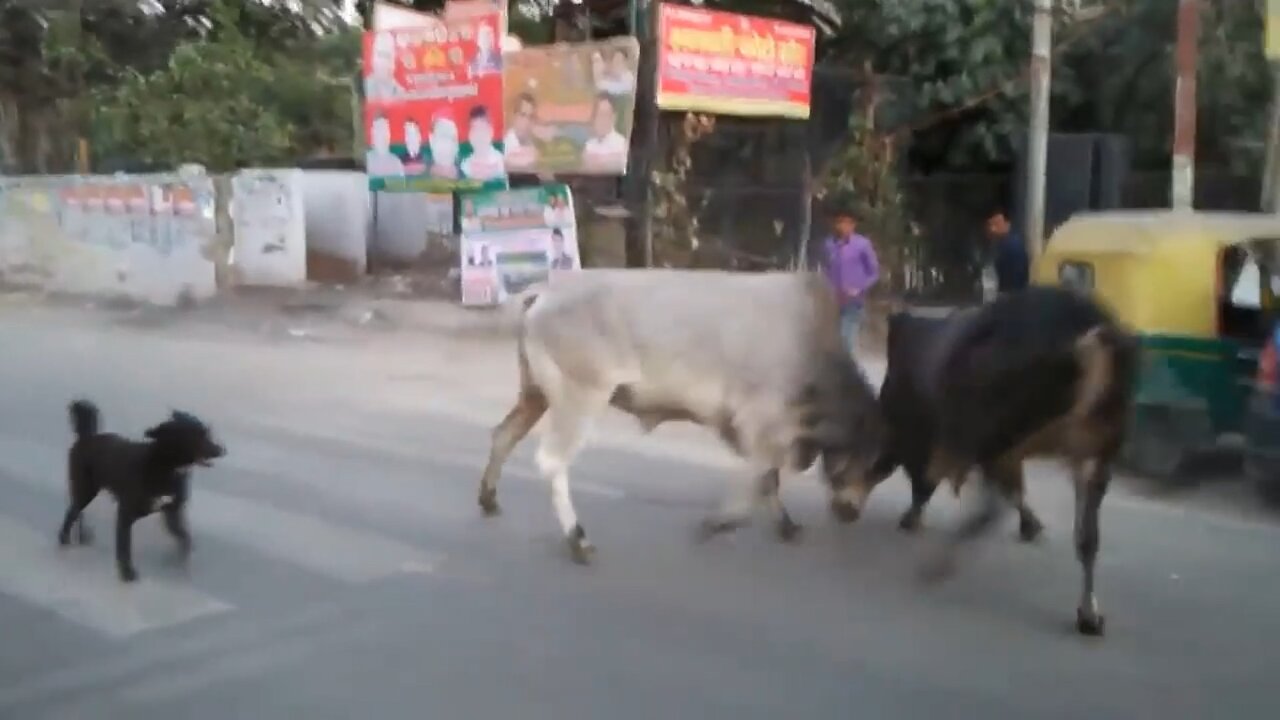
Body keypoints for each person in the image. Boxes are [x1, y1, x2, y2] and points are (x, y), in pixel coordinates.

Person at [822, 210, 880, 354]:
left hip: (853, 300)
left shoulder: (862, 245)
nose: (843, 226)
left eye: (847, 223)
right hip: (833, 300)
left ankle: (846, 370)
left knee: (845, 338)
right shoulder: (829, 244)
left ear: (853, 225)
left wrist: (859, 289)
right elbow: (825, 269)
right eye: (840, 222)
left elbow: (874, 273)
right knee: (831, 340)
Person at [581, 94, 628, 173]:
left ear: (614, 117)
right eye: (598, 114)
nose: (601, 120)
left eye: (605, 114)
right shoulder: (589, 146)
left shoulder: (622, 146)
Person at [986, 207, 1029, 293]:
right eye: (991, 225)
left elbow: (1016, 276)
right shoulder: (1001, 242)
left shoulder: (1012, 244)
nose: (992, 229)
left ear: (1007, 224)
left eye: (997, 224)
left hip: (1011, 294)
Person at [460, 105, 506, 181]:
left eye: (482, 129)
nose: (478, 135)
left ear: (491, 131)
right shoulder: (465, 166)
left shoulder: (501, 162)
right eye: (474, 129)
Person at [503, 92, 541, 171]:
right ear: (513, 116)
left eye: (530, 117)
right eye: (523, 115)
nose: (527, 121)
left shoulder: (531, 144)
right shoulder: (504, 147)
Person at [364, 32, 403, 100]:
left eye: (387, 57)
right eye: (380, 56)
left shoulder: (398, 90)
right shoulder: (367, 86)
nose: (382, 64)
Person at [365, 113, 406, 178]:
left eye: (385, 129)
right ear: (373, 133)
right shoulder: (365, 160)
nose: (383, 133)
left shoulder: (396, 162)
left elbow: (402, 185)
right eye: (379, 129)